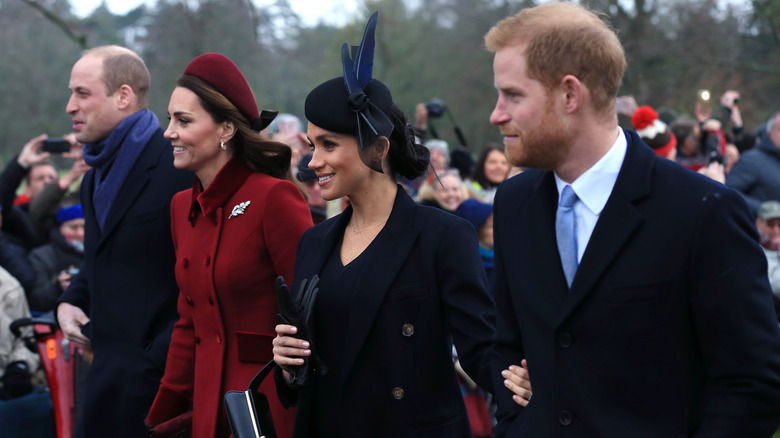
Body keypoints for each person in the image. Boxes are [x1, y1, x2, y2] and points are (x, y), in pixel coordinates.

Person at [485, 3, 780, 437]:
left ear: (570, 94)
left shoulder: (701, 211)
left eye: (513, 95)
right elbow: (508, 346)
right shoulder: (514, 203)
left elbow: (752, 381)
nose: (496, 114)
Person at [271, 12, 495, 437]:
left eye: (328, 144)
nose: (312, 161)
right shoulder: (313, 243)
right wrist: (287, 362)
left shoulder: (442, 237)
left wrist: (530, 380)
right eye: (311, 145)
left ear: (378, 148)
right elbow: (309, 376)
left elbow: (482, 350)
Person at [144, 52, 312, 438]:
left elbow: (311, 308)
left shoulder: (275, 197)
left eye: (183, 121)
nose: (169, 132)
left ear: (225, 130)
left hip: (267, 403)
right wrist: (165, 409)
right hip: (208, 406)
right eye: (170, 119)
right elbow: (189, 322)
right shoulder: (180, 207)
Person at [55, 45, 193, 437]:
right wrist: (70, 301)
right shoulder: (93, 175)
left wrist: (158, 357)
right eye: (71, 93)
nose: (70, 106)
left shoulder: (176, 165)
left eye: (83, 93)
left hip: (160, 390)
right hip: (103, 382)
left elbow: (202, 269)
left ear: (124, 96)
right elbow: (102, 258)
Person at [28, 203, 85, 312]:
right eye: (73, 227)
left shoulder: (99, 253)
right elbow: (35, 300)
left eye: (85, 227)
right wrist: (58, 287)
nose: (80, 233)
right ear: (60, 228)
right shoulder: (43, 256)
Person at [726, 112, 780, 216]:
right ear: (769, 133)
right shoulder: (751, 159)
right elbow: (730, 192)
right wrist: (764, 209)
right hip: (758, 229)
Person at [755, 200, 780, 319]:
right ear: (758, 224)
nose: (776, 230)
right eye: (770, 224)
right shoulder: (754, 251)